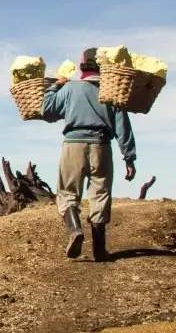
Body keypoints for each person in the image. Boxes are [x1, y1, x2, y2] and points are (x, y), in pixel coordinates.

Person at [41, 48, 137, 261]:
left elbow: (46, 109)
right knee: (100, 194)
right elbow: (123, 127)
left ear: (82, 66)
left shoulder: (70, 88)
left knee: (67, 193)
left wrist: (54, 86)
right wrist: (129, 158)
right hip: (102, 146)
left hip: (73, 145)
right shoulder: (112, 91)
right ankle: (99, 251)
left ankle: (75, 230)